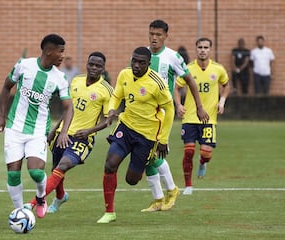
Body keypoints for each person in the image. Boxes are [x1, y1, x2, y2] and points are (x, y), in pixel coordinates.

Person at [0, 34, 73, 218]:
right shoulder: (24, 65)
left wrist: (64, 132)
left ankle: (40, 197)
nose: (62, 56)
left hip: (38, 131)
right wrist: (0, 116)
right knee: (13, 174)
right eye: (60, 52)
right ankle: (20, 212)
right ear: (48, 51)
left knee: (36, 172)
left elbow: (68, 108)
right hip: (14, 128)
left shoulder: (59, 78)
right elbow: (6, 87)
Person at [24, 51, 113, 213]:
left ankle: (33, 203)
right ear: (86, 64)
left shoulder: (106, 89)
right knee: (56, 170)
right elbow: (68, 109)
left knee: (63, 166)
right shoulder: (76, 80)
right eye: (91, 64)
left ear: (103, 69)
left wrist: (89, 131)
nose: (94, 68)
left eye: (98, 66)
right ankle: (60, 197)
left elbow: (108, 120)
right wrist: (55, 129)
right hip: (62, 133)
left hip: (83, 139)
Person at [96, 46, 175, 224]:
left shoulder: (157, 83)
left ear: (148, 64)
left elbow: (169, 110)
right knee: (110, 165)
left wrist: (163, 138)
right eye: (134, 61)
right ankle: (109, 212)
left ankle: (169, 186)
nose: (136, 65)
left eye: (141, 62)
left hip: (147, 135)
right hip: (126, 127)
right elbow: (117, 95)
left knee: (132, 179)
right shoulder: (124, 74)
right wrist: (111, 111)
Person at [141, 19, 209, 212]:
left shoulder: (173, 57)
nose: (154, 38)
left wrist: (199, 106)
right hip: (141, 114)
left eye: (158, 35)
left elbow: (190, 81)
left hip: (162, 114)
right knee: (145, 155)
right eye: (151, 34)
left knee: (150, 153)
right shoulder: (141, 55)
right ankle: (159, 199)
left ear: (165, 36)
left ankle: (171, 189)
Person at [173, 37, 230, 195]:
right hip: (190, 117)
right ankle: (188, 186)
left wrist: (222, 101)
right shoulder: (188, 69)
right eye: (200, 47)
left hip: (209, 118)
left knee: (206, 154)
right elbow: (176, 88)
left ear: (210, 50)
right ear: (196, 49)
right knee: (189, 151)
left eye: (206, 47)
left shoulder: (218, 69)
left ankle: (202, 163)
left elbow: (226, 85)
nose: (203, 50)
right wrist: (179, 104)